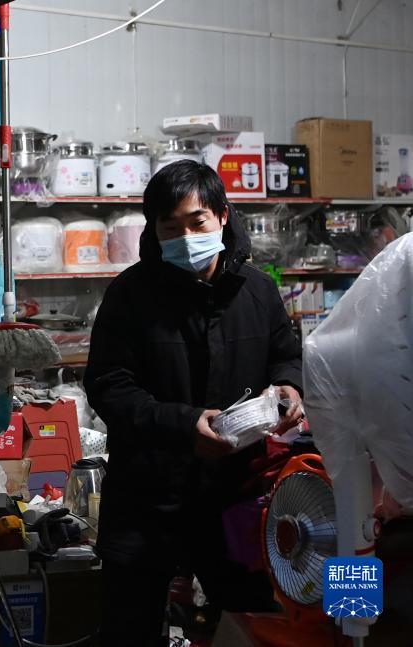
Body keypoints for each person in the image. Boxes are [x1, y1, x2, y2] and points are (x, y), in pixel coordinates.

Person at [84, 161, 305, 646]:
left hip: (238, 494)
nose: (185, 237)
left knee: (250, 624)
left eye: (196, 222)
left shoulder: (258, 290)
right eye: (170, 227)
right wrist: (184, 426)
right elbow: (108, 386)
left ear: (222, 216)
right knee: (129, 629)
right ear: (154, 230)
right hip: (147, 497)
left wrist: (289, 386)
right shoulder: (130, 295)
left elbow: (286, 356)